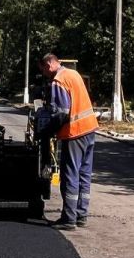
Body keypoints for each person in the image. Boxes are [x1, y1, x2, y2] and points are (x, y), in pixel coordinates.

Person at [38, 54, 98, 230]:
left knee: (70, 174)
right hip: (89, 129)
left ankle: (69, 219)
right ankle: (81, 215)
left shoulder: (59, 81)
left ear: (49, 64)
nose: (44, 74)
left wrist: (48, 131)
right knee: (84, 174)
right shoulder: (73, 74)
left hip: (75, 132)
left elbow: (62, 112)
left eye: (43, 70)